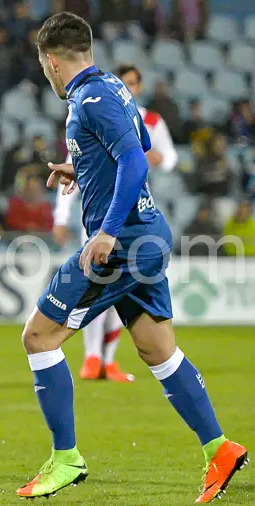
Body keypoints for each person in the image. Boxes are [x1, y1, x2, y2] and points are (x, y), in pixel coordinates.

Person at [18, 13, 246, 502]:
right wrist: (83, 170)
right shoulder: (113, 87)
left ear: (52, 61)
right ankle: (220, 449)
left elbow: (136, 160)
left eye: (43, 66)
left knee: (38, 336)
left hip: (122, 242)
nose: (45, 74)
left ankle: (66, 460)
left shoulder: (91, 99)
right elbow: (136, 143)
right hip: (149, 234)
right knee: (157, 349)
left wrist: (106, 230)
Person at [52, 63, 179, 383]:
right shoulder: (97, 110)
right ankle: (92, 358)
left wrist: (156, 159)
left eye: (134, 83)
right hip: (101, 219)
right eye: (125, 83)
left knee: (118, 292)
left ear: (139, 85)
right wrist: (61, 216)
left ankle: (107, 361)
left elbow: (169, 157)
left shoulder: (148, 119)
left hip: (137, 214)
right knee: (100, 288)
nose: (129, 88)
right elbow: (74, 162)